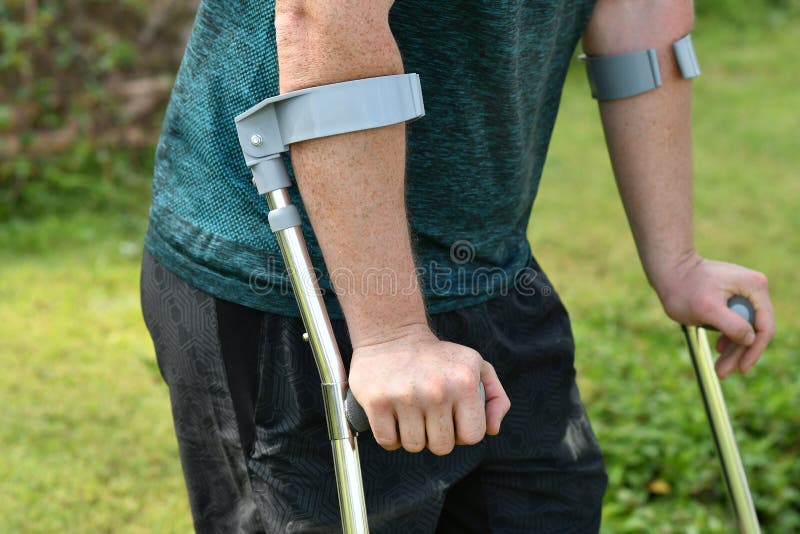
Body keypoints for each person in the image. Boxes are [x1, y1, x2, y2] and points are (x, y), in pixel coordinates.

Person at [140, 0, 775, 532]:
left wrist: (677, 260)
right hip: (294, 282)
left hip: (492, 262)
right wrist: (392, 335)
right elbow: (325, 16)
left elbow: (642, 14)